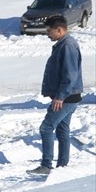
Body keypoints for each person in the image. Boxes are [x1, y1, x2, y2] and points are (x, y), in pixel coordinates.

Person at [28, 15, 83, 175]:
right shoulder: (64, 44)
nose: (47, 34)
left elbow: (70, 75)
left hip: (66, 97)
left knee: (46, 128)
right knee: (62, 130)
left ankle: (46, 165)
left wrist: (60, 96)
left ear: (59, 29)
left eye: (49, 31)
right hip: (69, 96)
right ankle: (63, 166)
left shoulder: (68, 46)